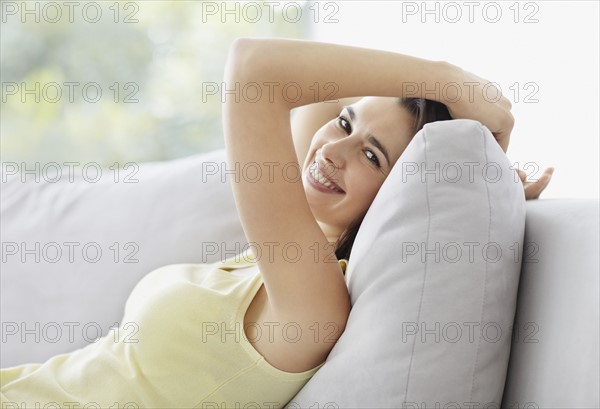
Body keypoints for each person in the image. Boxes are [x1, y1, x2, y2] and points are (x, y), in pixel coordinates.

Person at [0, 38, 553, 408]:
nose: (333, 149)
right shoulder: (298, 237)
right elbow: (321, 94)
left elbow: (254, 69)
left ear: (397, 194)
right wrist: (459, 133)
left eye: (372, 157)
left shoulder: (310, 299)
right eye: (345, 126)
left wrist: (450, 83)